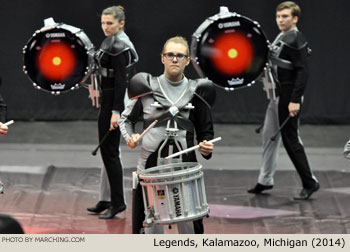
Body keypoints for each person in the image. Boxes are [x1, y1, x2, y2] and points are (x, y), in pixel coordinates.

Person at [118, 36, 216, 234]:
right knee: (150, 223)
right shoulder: (145, 87)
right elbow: (126, 120)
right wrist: (130, 137)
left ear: (187, 60)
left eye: (180, 56)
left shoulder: (198, 91)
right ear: (162, 58)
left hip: (184, 167)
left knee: (190, 224)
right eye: (170, 55)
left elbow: (206, 133)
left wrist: (206, 148)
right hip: (150, 168)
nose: (174, 59)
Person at [248, 1, 319, 200]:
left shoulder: (296, 38)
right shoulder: (283, 36)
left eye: (285, 16)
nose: (281, 20)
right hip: (277, 95)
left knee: (291, 140)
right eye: (279, 16)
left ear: (295, 18)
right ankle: (265, 179)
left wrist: (295, 100)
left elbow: (303, 72)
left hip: (288, 96)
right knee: (269, 136)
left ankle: (309, 182)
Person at [86, 5, 138, 219]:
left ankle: (117, 202)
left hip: (115, 102)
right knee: (108, 152)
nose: (105, 27)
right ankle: (106, 198)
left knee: (110, 153)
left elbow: (120, 82)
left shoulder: (118, 45)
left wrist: (116, 112)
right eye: (103, 23)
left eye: (110, 23)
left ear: (121, 24)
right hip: (110, 100)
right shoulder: (115, 41)